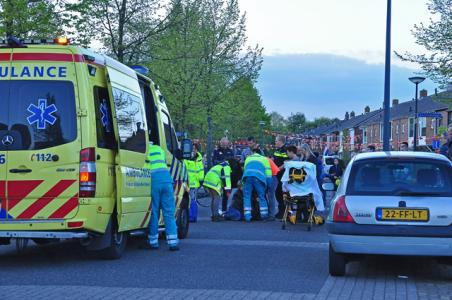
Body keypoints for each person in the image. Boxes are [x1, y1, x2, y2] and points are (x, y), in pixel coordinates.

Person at [143, 144, 179, 251]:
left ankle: (153, 242)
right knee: (169, 213)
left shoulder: (144, 149)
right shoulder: (159, 149)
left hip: (154, 181)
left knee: (154, 212)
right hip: (167, 180)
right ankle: (173, 243)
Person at [242, 149, 272, 222]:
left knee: (247, 196)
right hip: (259, 178)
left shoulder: (248, 158)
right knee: (261, 196)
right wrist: (269, 184)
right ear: (261, 153)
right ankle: (264, 215)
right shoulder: (264, 159)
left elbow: (245, 169)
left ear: (253, 153)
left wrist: (243, 183)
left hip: (247, 177)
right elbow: (268, 173)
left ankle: (247, 216)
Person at [212, 137, 234, 213]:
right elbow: (214, 161)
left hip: (227, 176)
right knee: (217, 194)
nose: (224, 145)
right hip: (218, 175)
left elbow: (233, 162)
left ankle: (224, 210)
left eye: (226, 143)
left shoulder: (230, 151)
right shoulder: (216, 151)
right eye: (223, 143)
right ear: (220, 143)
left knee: (226, 193)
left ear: (228, 143)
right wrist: (222, 163)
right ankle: (215, 212)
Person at [184, 144, 204, 222]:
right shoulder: (195, 159)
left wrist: (201, 180)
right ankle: (192, 216)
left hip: (193, 184)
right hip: (187, 183)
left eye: (194, 149)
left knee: (192, 200)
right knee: (191, 200)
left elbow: (200, 171)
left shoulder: (198, 159)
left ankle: (192, 217)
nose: (193, 150)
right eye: (192, 149)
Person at [272, 135, 289, 219]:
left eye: (276, 141)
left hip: (282, 174)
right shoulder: (277, 150)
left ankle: (284, 212)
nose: (275, 142)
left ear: (281, 141)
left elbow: (286, 162)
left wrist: (278, 169)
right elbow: (274, 159)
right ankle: (281, 211)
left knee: (281, 192)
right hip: (277, 174)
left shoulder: (285, 150)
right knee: (277, 193)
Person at [266, 156, 280, 220]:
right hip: (272, 176)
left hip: (272, 176)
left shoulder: (263, 160)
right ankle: (269, 213)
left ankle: (271, 215)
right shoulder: (265, 159)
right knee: (268, 195)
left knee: (270, 195)